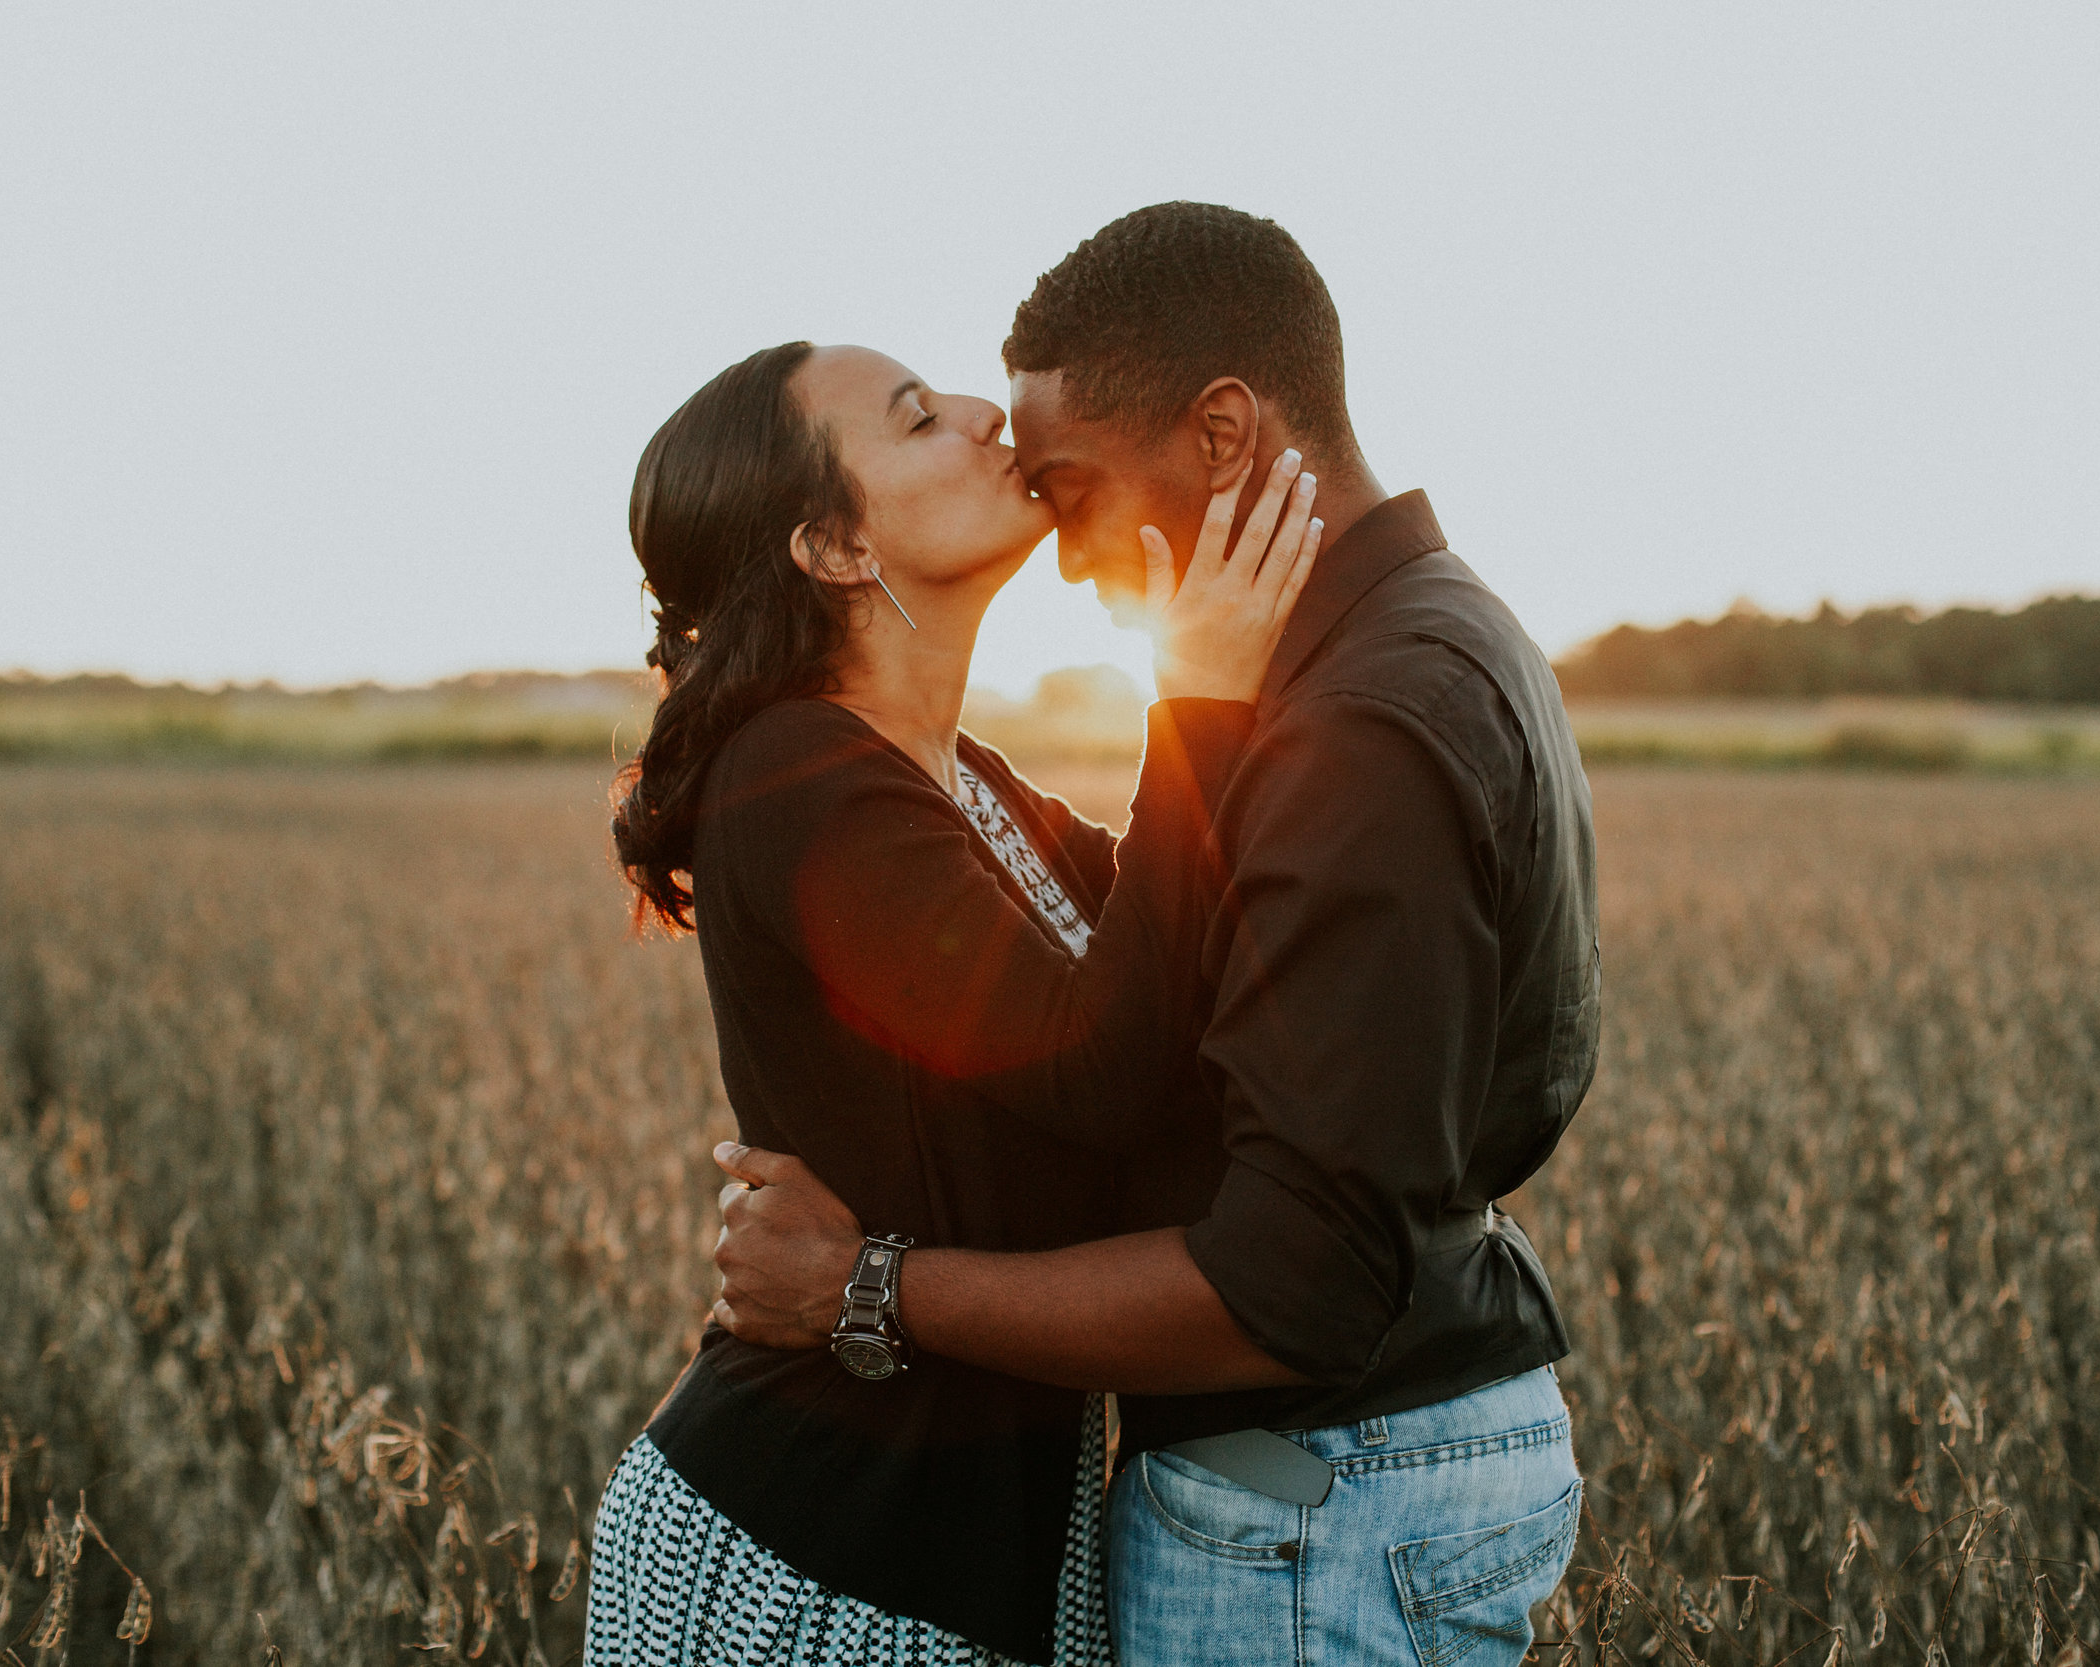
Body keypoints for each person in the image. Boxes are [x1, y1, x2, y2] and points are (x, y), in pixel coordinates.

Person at [711, 202, 1601, 1666]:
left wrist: (868, 1285)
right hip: (1355, 1469)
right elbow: (1152, 972)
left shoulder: (1354, 727)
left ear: (1225, 435)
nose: (1065, 556)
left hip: (1319, 1499)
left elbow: (1288, 1279)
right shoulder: (1427, 637)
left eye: (1070, 488)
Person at [588, 334, 1325, 1665]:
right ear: (831, 546)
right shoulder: (796, 777)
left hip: (974, 1552)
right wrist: (1198, 700)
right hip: (813, 1556)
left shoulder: (960, 778)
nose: (989, 414)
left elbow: (1189, 964)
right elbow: (1106, 1064)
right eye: (920, 418)